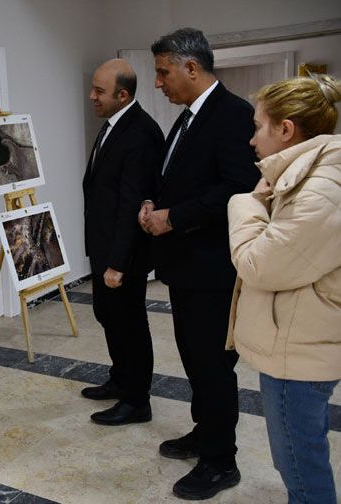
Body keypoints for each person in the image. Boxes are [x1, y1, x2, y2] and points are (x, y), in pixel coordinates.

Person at [138, 28, 260, 500]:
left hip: (212, 269)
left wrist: (177, 217)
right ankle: (202, 433)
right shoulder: (188, 117)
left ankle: (220, 460)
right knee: (193, 358)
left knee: (212, 365)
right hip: (186, 264)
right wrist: (156, 202)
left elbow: (238, 188)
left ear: (192, 68)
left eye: (164, 72)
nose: (159, 83)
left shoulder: (231, 115)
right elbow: (182, 180)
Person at [227, 74, 341, 504]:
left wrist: (245, 203)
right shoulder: (311, 178)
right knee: (297, 456)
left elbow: (259, 265)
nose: (254, 140)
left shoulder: (322, 191)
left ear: (286, 129)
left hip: (301, 352)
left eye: (259, 127)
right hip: (297, 340)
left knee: (300, 462)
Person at [81, 59, 163, 426]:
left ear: (123, 95)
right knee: (108, 316)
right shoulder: (114, 125)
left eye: (99, 91)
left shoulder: (140, 133)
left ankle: (136, 400)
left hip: (122, 254)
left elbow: (132, 202)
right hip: (104, 248)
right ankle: (120, 379)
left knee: (129, 324)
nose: (91, 96)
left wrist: (117, 263)